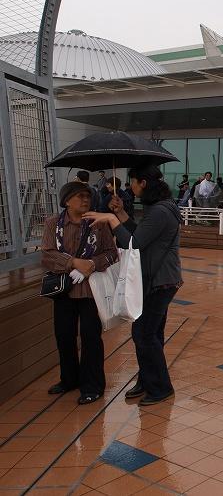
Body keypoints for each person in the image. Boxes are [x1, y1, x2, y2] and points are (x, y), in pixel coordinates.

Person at [85, 165, 183, 406]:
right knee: (151, 333)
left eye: (134, 182)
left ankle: (160, 388)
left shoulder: (160, 211)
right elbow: (141, 234)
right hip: (157, 279)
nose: (131, 187)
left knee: (143, 334)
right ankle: (148, 380)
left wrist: (110, 218)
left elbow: (134, 244)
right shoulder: (160, 207)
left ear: (144, 183)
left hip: (160, 281)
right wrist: (120, 213)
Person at [41, 182, 117, 405]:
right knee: (64, 335)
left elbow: (111, 253)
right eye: (80, 196)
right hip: (63, 289)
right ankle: (69, 379)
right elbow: (47, 254)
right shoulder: (53, 224)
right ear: (66, 201)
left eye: (88, 196)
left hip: (91, 291)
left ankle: (93, 385)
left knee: (91, 337)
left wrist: (92, 264)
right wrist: (73, 263)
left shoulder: (98, 223)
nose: (85, 200)